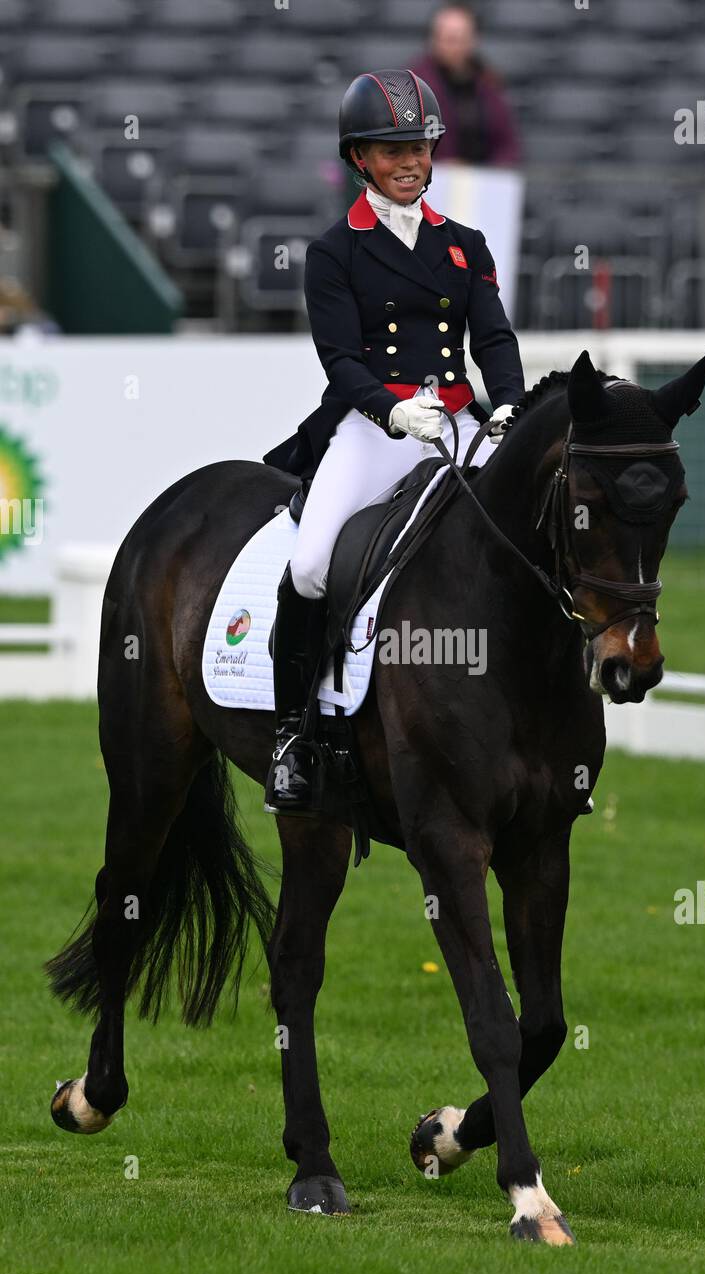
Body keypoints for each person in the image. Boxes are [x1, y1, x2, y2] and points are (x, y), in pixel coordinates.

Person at [263, 67, 525, 815]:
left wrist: (505, 405)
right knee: (312, 565)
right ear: (359, 159)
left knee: (522, 534)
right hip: (377, 427)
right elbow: (341, 362)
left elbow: (494, 338)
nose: (410, 162)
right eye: (391, 150)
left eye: (419, 146)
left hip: (457, 422)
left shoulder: (464, 244)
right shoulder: (334, 252)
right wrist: (390, 412)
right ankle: (294, 734)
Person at [411, 4, 521, 167]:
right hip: (432, 180)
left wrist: (494, 169)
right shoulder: (413, 86)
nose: (456, 47)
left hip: (483, 181)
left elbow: (507, 142)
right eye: (449, 39)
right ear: (434, 40)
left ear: (473, 40)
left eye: (462, 39)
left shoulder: (488, 82)